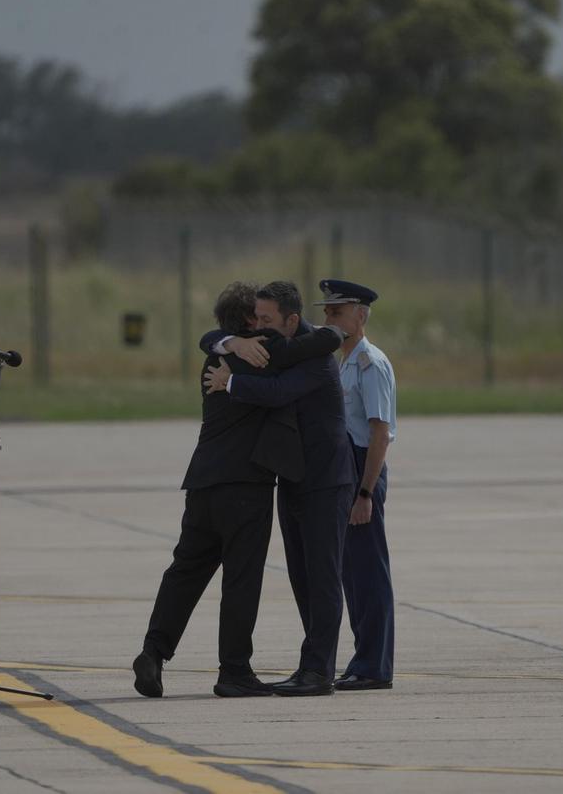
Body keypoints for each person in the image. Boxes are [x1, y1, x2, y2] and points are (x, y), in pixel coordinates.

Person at [134, 282, 343, 698]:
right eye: (259, 318)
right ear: (251, 323)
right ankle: (234, 670)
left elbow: (213, 340)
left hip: (202, 482)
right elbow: (317, 344)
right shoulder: (263, 355)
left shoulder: (216, 358)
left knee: (185, 571)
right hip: (246, 485)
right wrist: (333, 334)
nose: (264, 325)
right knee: (241, 579)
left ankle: (153, 651)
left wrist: (222, 339)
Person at [203, 281, 356, 696]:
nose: (258, 326)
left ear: (291, 320)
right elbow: (211, 338)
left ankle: (319, 671)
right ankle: (311, 663)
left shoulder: (317, 353)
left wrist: (229, 383)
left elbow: (278, 392)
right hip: (293, 478)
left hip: (325, 481)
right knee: (302, 578)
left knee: (323, 578)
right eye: (254, 318)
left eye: (266, 320)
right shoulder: (280, 344)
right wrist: (230, 341)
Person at [316, 279, 397, 691]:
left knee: (368, 572)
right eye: (327, 312)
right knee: (352, 573)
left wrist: (365, 493)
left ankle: (374, 666)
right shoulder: (342, 360)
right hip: (346, 470)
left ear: (360, 316)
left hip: (364, 469)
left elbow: (380, 432)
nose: (327, 318)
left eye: (336, 312)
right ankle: (363, 658)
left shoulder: (370, 363)